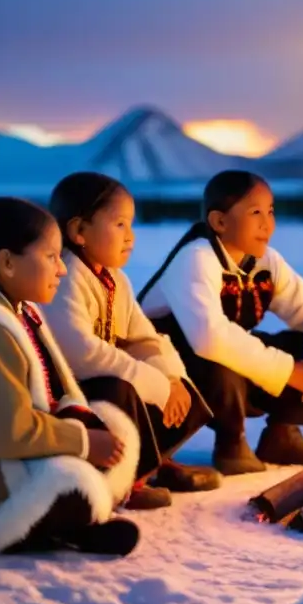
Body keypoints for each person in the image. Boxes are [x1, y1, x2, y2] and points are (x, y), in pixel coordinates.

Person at [0, 198, 141, 557]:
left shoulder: (14, 310)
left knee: (113, 424)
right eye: (51, 257)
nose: (62, 270)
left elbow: (51, 397)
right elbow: (7, 432)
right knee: (71, 485)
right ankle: (55, 526)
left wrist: (85, 431)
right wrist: (85, 442)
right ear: (8, 262)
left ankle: (66, 522)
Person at [138, 170, 303, 475]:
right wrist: (290, 372)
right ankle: (230, 442)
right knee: (217, 352)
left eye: (271, 211)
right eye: (255, 212)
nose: (267, 223)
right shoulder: (195, 258)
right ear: (220, 222)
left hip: (233, 374)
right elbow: (209, 337)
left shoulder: (265, 262)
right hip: (178, 376)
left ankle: (282, 434)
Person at [44, 172, 221, 510]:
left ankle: (157, 462)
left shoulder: (114, 279)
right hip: (71, 397)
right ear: (79, 231)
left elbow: (143, 336)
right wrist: (152, 381)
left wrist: (169, 377)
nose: (131, 237)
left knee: (175, 378)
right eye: (120, 225)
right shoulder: (65, 277)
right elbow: (79, 353)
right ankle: (127, 480)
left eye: (132, 225)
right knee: (121, 388)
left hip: (102, 379)